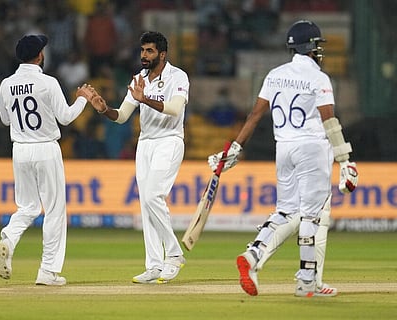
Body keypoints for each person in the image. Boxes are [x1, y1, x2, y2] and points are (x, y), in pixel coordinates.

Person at [208, 20, 359, 297]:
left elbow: (254, 116)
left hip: (284, 149)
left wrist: (234, 149)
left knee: (285, 211)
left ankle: (253, 255)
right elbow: (329, 121)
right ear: (311, 47)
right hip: (312, 149)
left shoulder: (275, 74)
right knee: (311, 218)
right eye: (318, 46)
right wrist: (346, 160)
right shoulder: (319, 78)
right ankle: (305, 281)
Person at [89, 31, 189, 284]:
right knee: (146, 202)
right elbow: (122, 115)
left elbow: (175, 110)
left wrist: (145, 99)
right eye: (142, 50)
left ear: (162, 54)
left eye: (149, 51)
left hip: (169, 141)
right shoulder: (138, 79)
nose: (144, 55)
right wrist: (105, 110)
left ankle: (174, 254)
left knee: (154, 195)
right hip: (144, 145)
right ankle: (154, 265)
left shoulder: (178, 77)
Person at [0, 34, 95, 286]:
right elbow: (66, 117)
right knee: (54, 210)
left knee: (27, 207)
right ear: (40, 56)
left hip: (20, 149)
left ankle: (8, 238)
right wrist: (83, 97)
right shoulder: (48, 82)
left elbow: (6, 120)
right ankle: (48, 271)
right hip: (46, 148)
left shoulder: (6, 84)